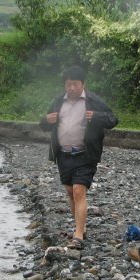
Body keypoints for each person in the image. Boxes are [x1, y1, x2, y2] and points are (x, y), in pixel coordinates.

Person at [40, 65, 118, 250]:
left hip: (86, 155)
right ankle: (80, 227)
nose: (72, 88)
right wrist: (46, 121)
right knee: (70, 192)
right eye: (68, 84)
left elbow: (113, 119)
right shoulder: (58, 102)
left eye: (75, 84)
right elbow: (45, 124)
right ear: (64, 85)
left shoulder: (93, 101)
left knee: (78, 191)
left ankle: (78, 236)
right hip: (63, 155)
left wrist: (96, 116)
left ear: (83, 84)